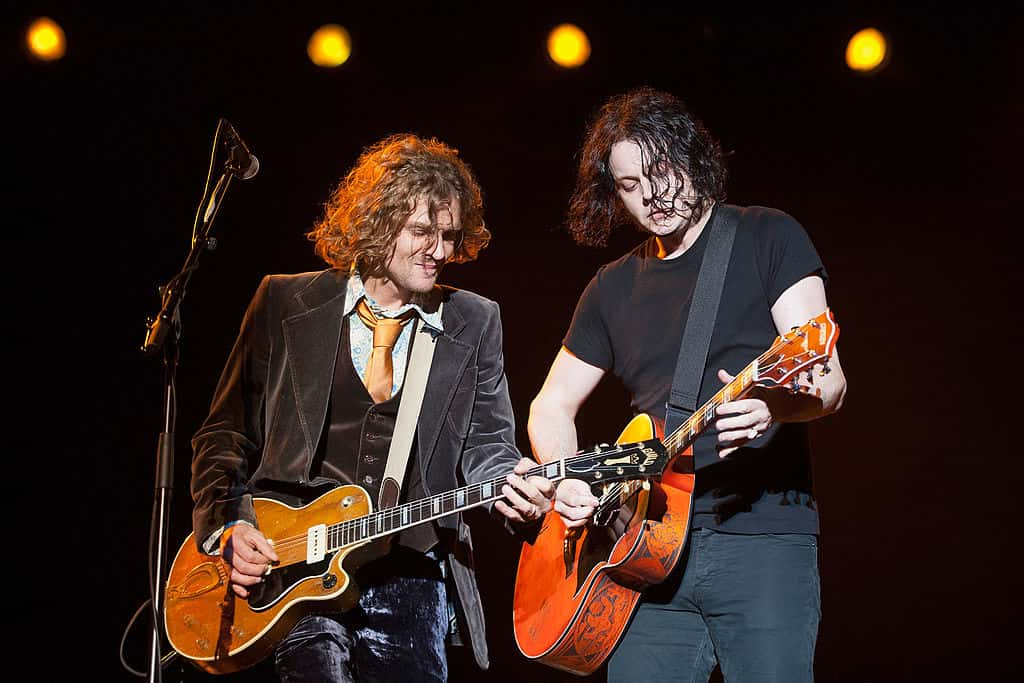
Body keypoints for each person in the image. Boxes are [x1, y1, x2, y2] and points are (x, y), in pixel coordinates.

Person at [190, 133, 554, 682]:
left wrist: (514, 483)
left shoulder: (474, 321)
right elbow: (224, 434)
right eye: (423, 232)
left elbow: (488, 447)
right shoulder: (284, 301)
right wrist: (228, 527)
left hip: (413, 573)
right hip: (294, 565)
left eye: (450, 235)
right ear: (378, 223)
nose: (442, 251)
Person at [529, 87, 847, 681]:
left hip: (760, 537)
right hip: (640, 553)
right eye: (628, 184)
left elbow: (828, 385)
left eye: (661, 171)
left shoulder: (767, 237)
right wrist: (568, 478)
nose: (650, 195)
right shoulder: (611, 287)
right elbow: (550, 406)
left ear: (693, 157)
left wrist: (774, 408)